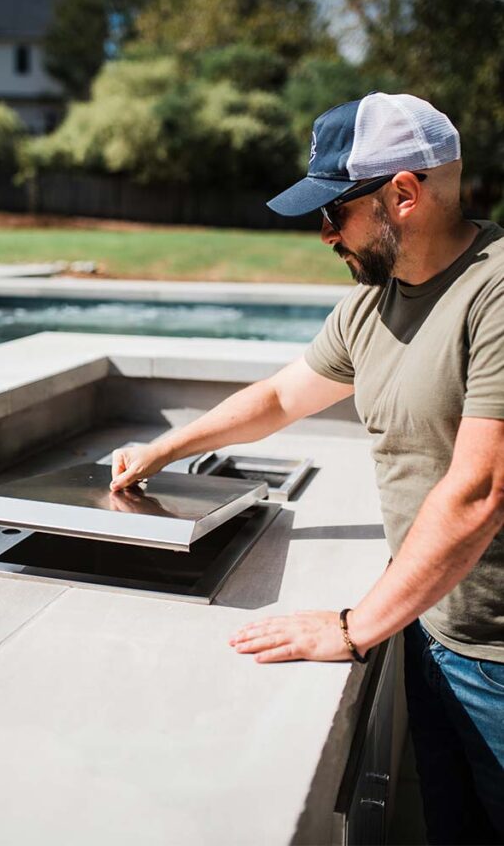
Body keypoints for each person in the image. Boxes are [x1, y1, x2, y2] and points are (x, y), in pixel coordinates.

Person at [110, 92, 504, 845]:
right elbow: (281, 395)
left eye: (334, 212)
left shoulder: (493, 291)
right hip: (428, 628)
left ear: (404, 194)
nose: (322, 234)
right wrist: (164, 448)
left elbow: (479, 491)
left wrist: (354, 630)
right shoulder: (373, 303)